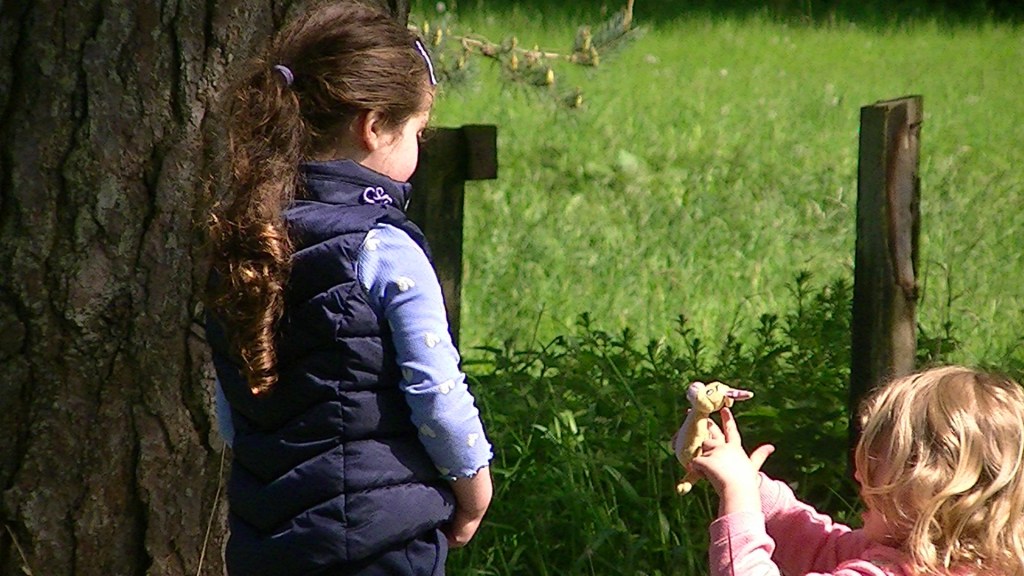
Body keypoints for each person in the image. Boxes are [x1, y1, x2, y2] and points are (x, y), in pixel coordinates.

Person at [203, 2, 493, 575]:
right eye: (417, 132)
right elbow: (437, 395)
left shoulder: (248, 241)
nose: (419, 148)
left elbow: (230, 411)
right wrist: (473, 490)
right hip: (380, 544)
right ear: (374, 125)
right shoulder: (384, 248)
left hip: (267, 542)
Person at [689, 366, 1024, 576]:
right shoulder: (970, 562)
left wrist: (739, 496)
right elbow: (823, 547)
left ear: (929, 484)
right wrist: (753, 487)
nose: (859, 475)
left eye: (876, 463)